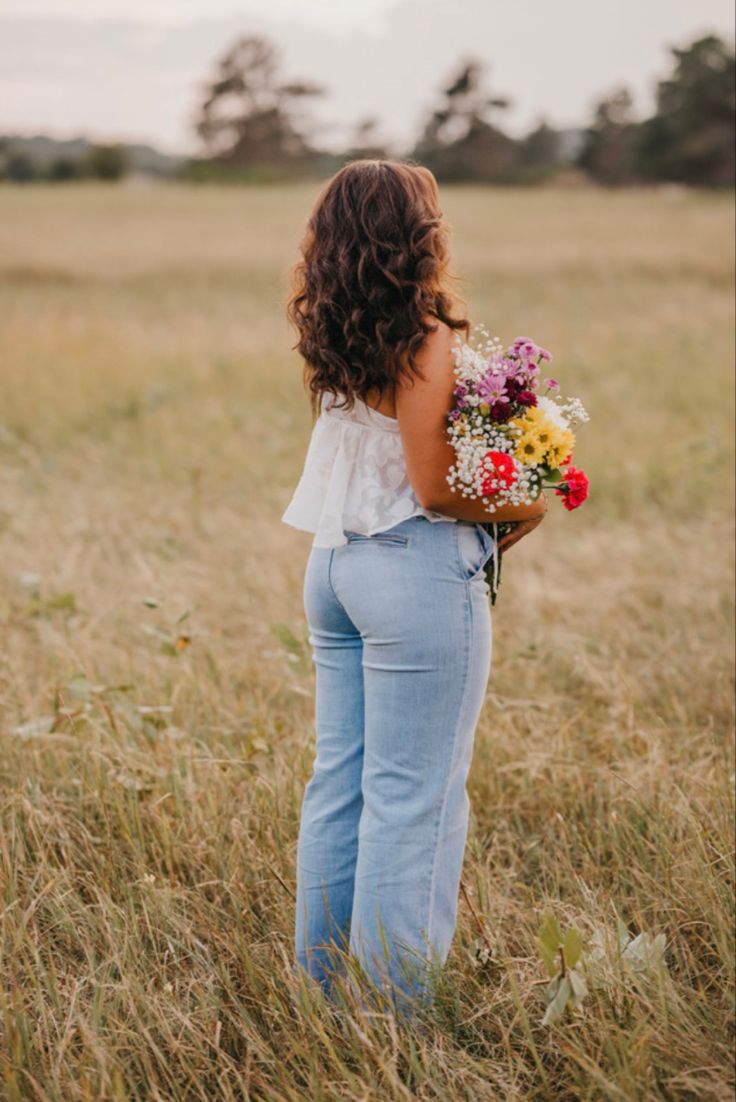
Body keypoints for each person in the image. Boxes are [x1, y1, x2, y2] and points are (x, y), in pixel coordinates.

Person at [281, 159, 547, 1020]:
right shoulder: (424, 335)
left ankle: (324, 998)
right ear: (417, 234)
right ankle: (391, 1021)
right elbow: (433, 489)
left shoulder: (331, 327)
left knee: (343, 787)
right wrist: (523, 501)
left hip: (334, 567)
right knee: (414, 800)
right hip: (411, 570)